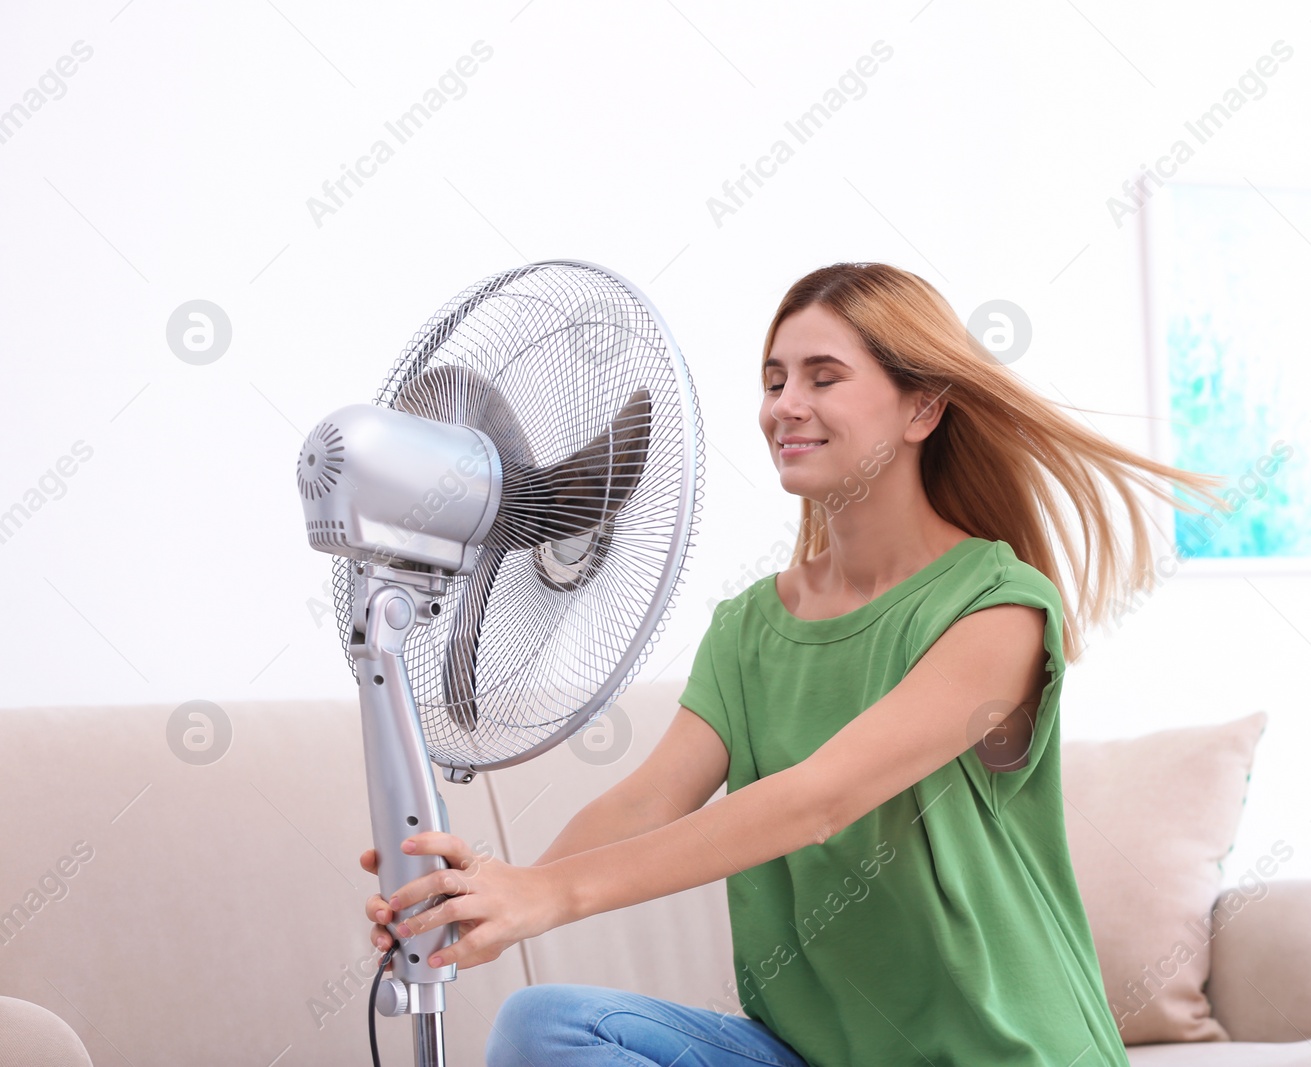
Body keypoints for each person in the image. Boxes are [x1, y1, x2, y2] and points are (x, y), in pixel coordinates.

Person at [359, 262, 1225, 1066]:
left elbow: (822, 798)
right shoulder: (749, 628)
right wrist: (493, 899)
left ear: (922, 409)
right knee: (543, 1027)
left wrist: (553, 897)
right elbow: (649, 800)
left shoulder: (996, 608)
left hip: (1002, 1053)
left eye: (823, 376)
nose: (785, 405)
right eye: (774, 380)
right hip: (814, 1053)